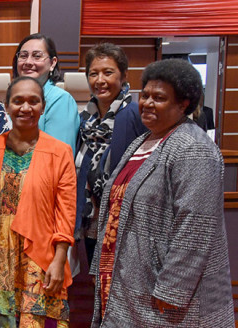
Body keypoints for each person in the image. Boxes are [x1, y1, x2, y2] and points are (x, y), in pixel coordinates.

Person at [90, 59, 233, 327]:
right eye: (144, 96)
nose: (147, 103)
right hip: (128, 279)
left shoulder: (193, 147)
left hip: (166, 294)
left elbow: (196, 224)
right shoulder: (142, 141)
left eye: (159, 98)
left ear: (184, 104)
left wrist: (173, 288)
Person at [0, 76, 76, 328]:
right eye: (18, 101)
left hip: (39, 256)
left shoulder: (60, 152)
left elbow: (66, 212)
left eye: (33, 101)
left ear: (43, 106)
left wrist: (60, 259)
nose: (26, 108)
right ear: (6, 105)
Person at [74, 43, 147, 267]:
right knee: (97, 278)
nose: (100, 80)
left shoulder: (136, 114)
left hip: (123, 214)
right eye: (93, 74)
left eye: (108, 72)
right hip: (92, 213)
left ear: (123, 76)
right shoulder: (87, 117)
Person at [12, 33, 79, 152]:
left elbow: (58, 156)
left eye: (37, 56)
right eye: (23, 56)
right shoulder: (11, 98)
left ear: (52, 63)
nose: (28, 62)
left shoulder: (60, 100)